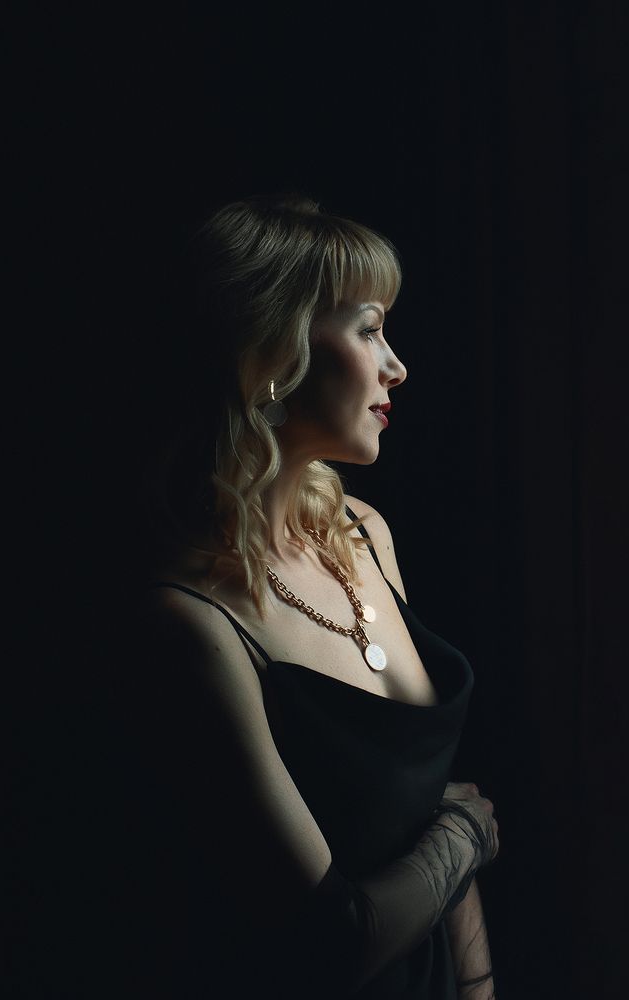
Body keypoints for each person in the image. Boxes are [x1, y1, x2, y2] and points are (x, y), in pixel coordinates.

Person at [114, 193, 499, 999]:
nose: (396, 366)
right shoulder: (191, 623)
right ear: (271, 355)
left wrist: (478, 988)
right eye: (367, 330)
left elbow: (431, 801)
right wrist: (466, 836)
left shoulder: (365, 534)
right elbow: (334, 940)